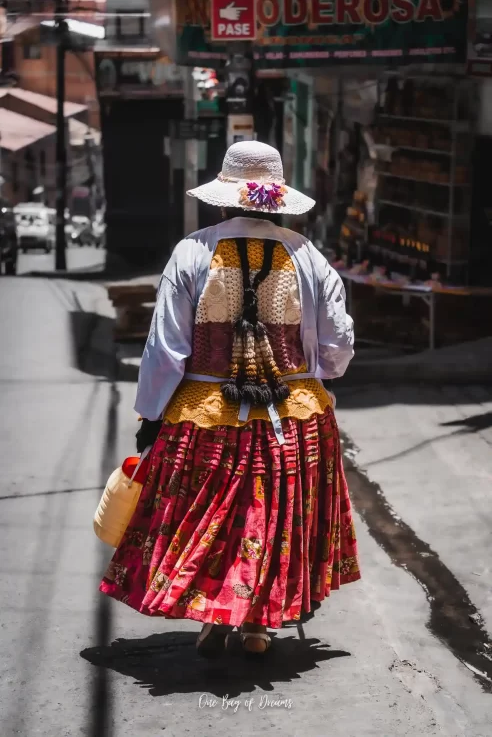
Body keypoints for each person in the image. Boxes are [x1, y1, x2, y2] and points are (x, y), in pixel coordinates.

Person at [99, 141, 360, 657]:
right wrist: (318, 374)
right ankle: (258, 623)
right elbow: (337, 345)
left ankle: (215, 614)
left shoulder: (192, 251)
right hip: (295, 415)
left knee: (214, 518)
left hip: (206, 416)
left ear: (222, 200)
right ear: (277, 200)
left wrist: (150, 416)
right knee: (274, 518)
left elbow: (166, 348)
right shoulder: (308, 256)